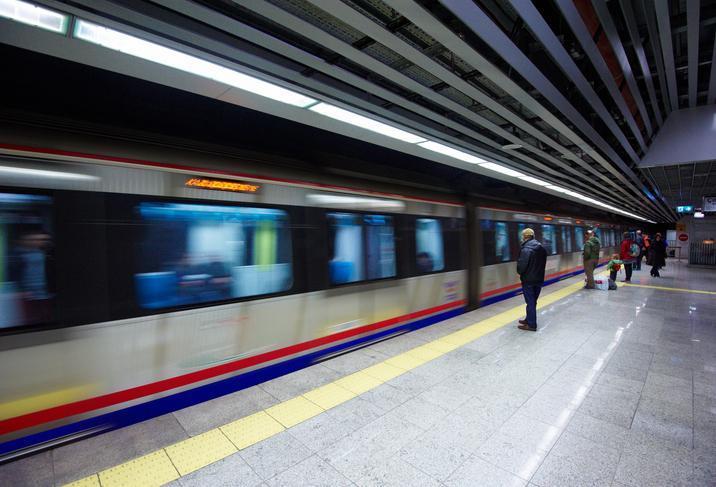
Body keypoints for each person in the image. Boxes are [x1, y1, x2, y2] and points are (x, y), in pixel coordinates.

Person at [516, 228, 547, 332]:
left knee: (530, 302)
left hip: (528, 280)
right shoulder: (541, 247)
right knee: (533, 301)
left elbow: (521, 266)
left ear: (525, 237)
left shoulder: (526, 249)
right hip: (539, 279)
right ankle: (528, 319)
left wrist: (520, 272)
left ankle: (532, 325)